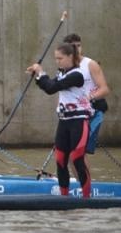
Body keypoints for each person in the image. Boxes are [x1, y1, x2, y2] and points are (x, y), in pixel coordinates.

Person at [27, 42, 93, 198]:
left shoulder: (77, 75)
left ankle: (87, 197)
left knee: (77, 159)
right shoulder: (62, 74)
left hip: (78, 121)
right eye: (56, 59)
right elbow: (49, 85)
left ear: (70, 57)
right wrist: (38, 76)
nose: (57, 61)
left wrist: (41, 73)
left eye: (60, 58)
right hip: (64, 122)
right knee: (60, 160)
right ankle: (64, 197)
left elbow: (51, 88)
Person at [61, 33, 110, 154]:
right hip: (73, 113)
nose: (77, 49)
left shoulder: (90, 64)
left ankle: (83, 173)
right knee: (71, 152)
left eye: (79, 45)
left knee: (79, 151)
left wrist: (89, 97)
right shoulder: (65, 67)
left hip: (93, 112)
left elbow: (104, 89)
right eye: (73, 46)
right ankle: (77, 174)